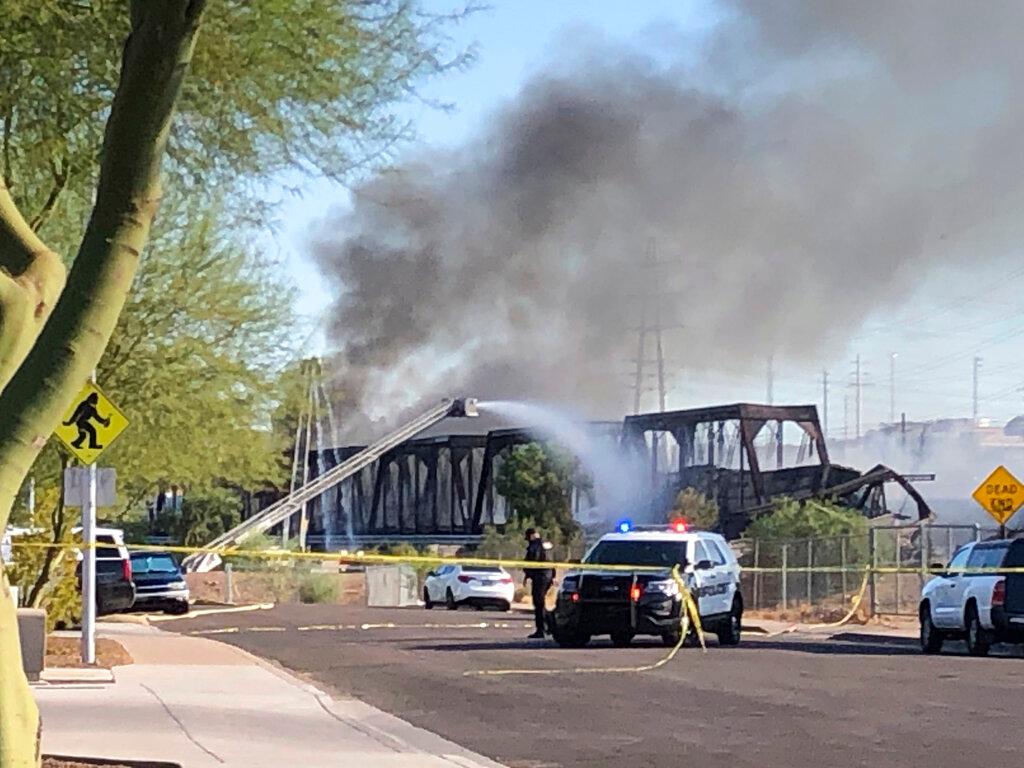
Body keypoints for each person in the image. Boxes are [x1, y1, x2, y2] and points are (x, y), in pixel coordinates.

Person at [523, 527, 553, 639]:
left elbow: (533, 561)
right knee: (542, 603)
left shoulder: (535, 545)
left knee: (539, 603)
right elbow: (551, 561)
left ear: (531, 535)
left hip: (540, 577)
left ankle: (541, 630)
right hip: (548, 575)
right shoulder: (547, 544)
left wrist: (528, 573)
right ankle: (549, 627)